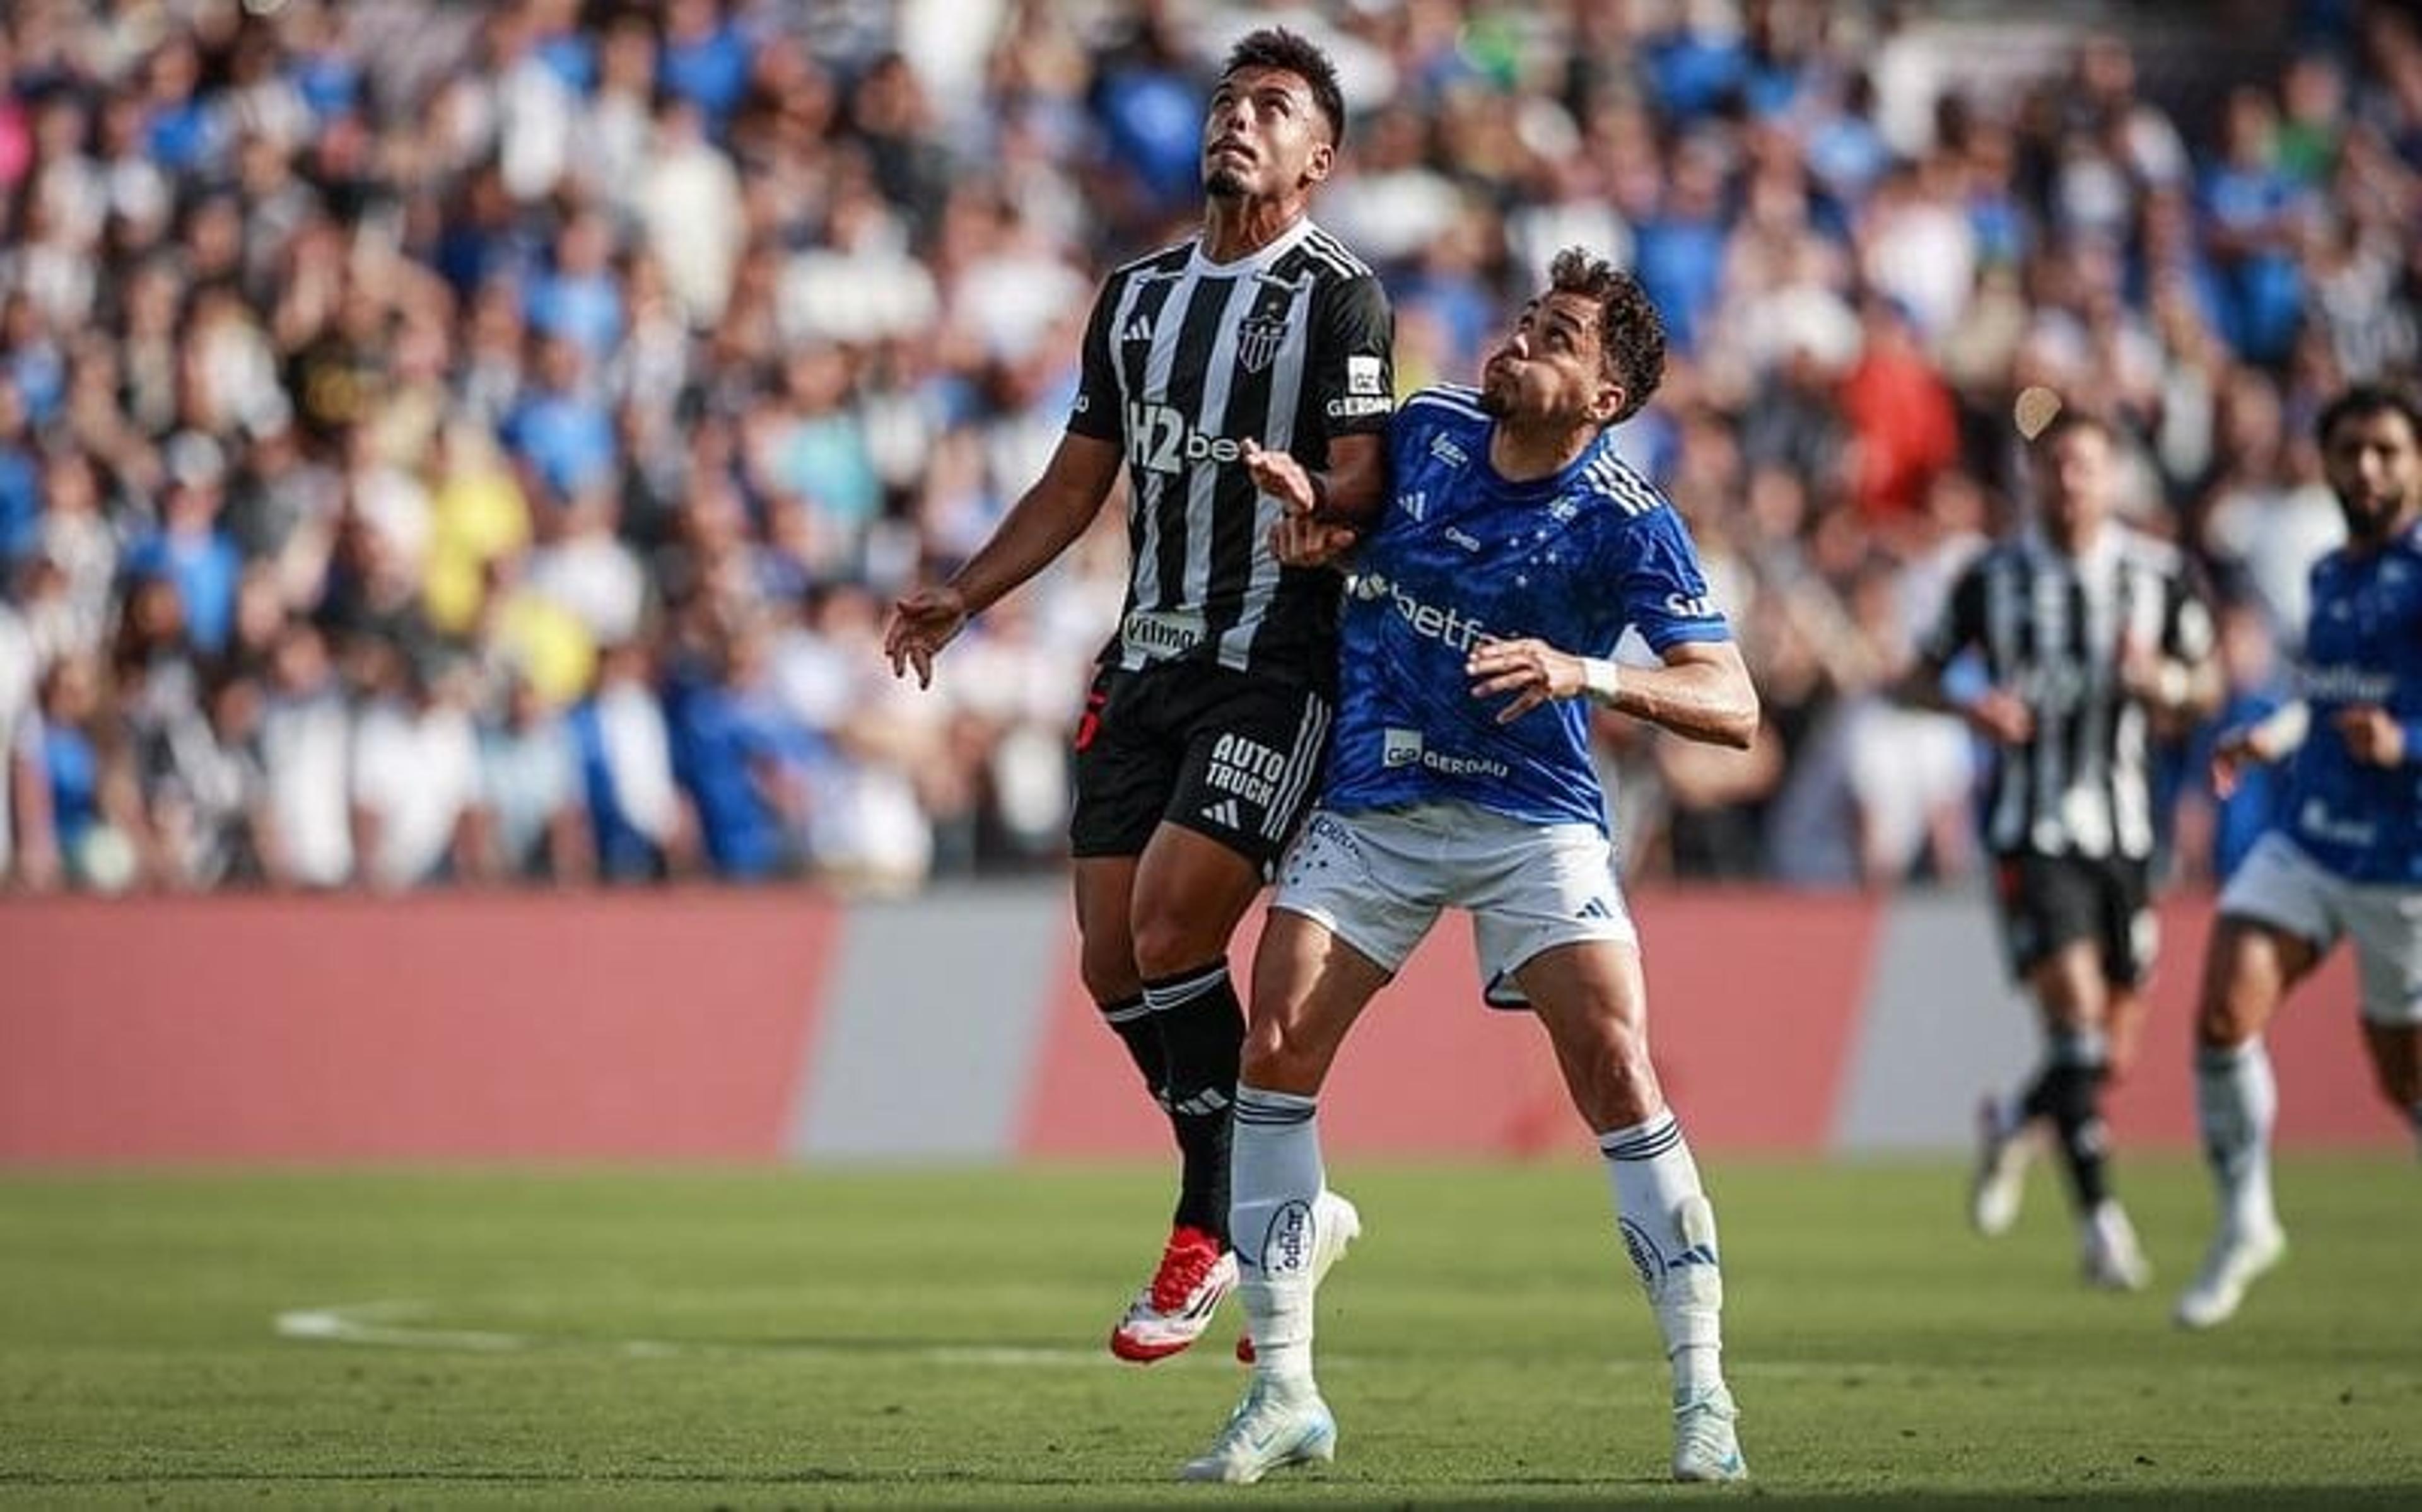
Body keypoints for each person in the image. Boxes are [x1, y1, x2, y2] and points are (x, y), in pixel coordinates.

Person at [1178, 249, 1758, 1487]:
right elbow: (1353, 535)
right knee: (1272, 1044)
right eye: (1529, 320)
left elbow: (1736, 701)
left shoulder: (1624, 518)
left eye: (1557, 336)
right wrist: (1313, 521)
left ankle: (1704, 1391)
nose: (1522, 340)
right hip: (1379, 799)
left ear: (1603, 397)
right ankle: (1283, 1387)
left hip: (1531, 817)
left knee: (1616, 1063)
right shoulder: (1434, 426)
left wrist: (1586, 670)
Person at [882, 28, 1393, 1363]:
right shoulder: (1137, 295)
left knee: (1174, 922)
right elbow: (1076, 479)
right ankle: (1287, 1199)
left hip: (1275, 662)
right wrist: (965, 590)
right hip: (1146, 657)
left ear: (1318, 158)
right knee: (1114, 955)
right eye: (1228, 101)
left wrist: (1318, 505)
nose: (1238, 120)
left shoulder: (1343, 298)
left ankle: (1211, 1217)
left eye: (1272, 108)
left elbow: (1367, 483)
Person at [1898, 410, 2219, 1289]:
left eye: (2085, 464)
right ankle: (2104, 1227)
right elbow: (1914, 676)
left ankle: (2011, 1121)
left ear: (2112, 476)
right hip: (2033, 833)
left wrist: (2165, 682)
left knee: (2105, 1056)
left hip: (2127, 836)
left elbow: (2208, 684)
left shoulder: (2157, 575)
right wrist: (1972, 706)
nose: (2070, 480)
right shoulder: (1993, 578)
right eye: (2055, 465)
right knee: (2074, 1023)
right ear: (2034, 477)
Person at [2177, 384, 2422, 1329]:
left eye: (2388, 451)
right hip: (2313, 837)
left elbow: (2389, 719)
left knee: (2401, 1077)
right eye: (2352, 450)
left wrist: (2405, 742)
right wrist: (2272, 737)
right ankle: (2246, 1220)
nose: (2368, 468)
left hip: (2403, 859)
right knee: (2224, 1005)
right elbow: (2327, 701)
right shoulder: (2327, 574)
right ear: (2324, 462)